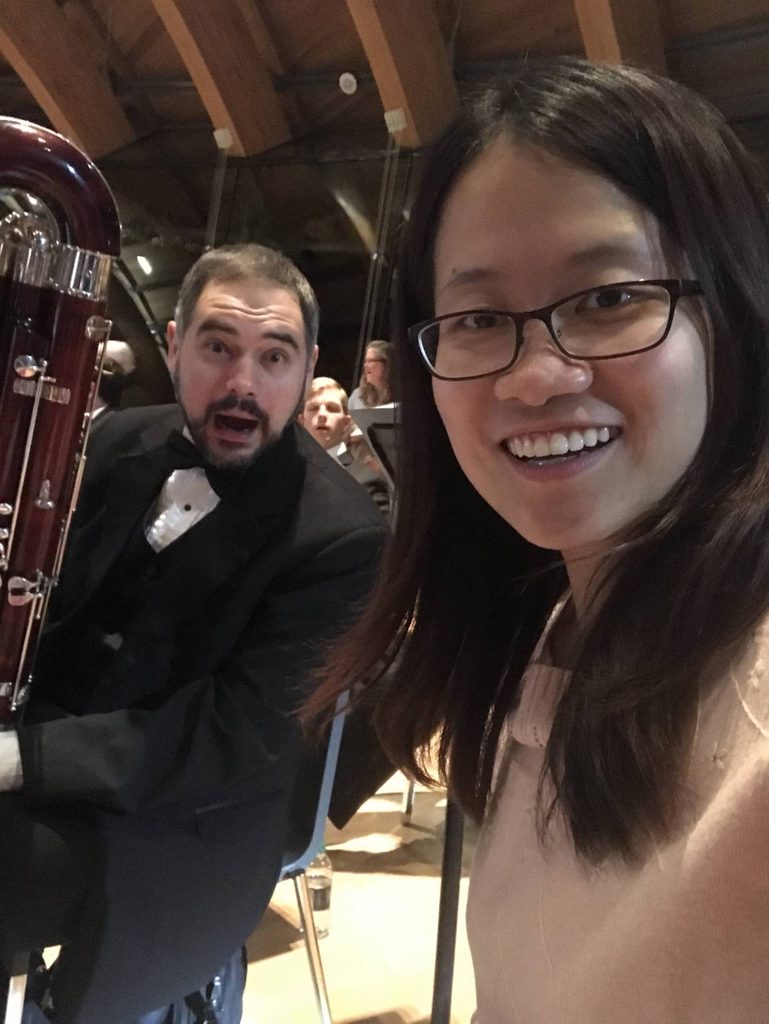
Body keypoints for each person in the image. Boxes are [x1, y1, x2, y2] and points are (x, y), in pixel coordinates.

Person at [307, 58, 769, 1022]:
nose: (535, 377)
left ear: (730, 306)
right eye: (478, 318)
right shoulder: (557, 624)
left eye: (606, 299)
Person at [0, 243, 387, 1024]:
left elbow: (227, 739)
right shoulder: (116, 440)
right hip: (55, 752)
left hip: (181, 819)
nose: (243, 383)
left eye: (274, 356)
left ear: (308, 363)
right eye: (218, 348)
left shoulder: (342, 536)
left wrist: (16, 759)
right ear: (174, 347)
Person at [299, 376, 351, 452]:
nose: (322, 414)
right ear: (301, 421)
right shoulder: (282, 462)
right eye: (314, 408)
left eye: (332, 408)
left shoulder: (364, 463)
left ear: (346, 423)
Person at [348, 340, 394, 409]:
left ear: (386, 364)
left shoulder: (403, 395)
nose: (365, 365)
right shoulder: (357, 395)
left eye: (370, 360)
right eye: (365, 361)